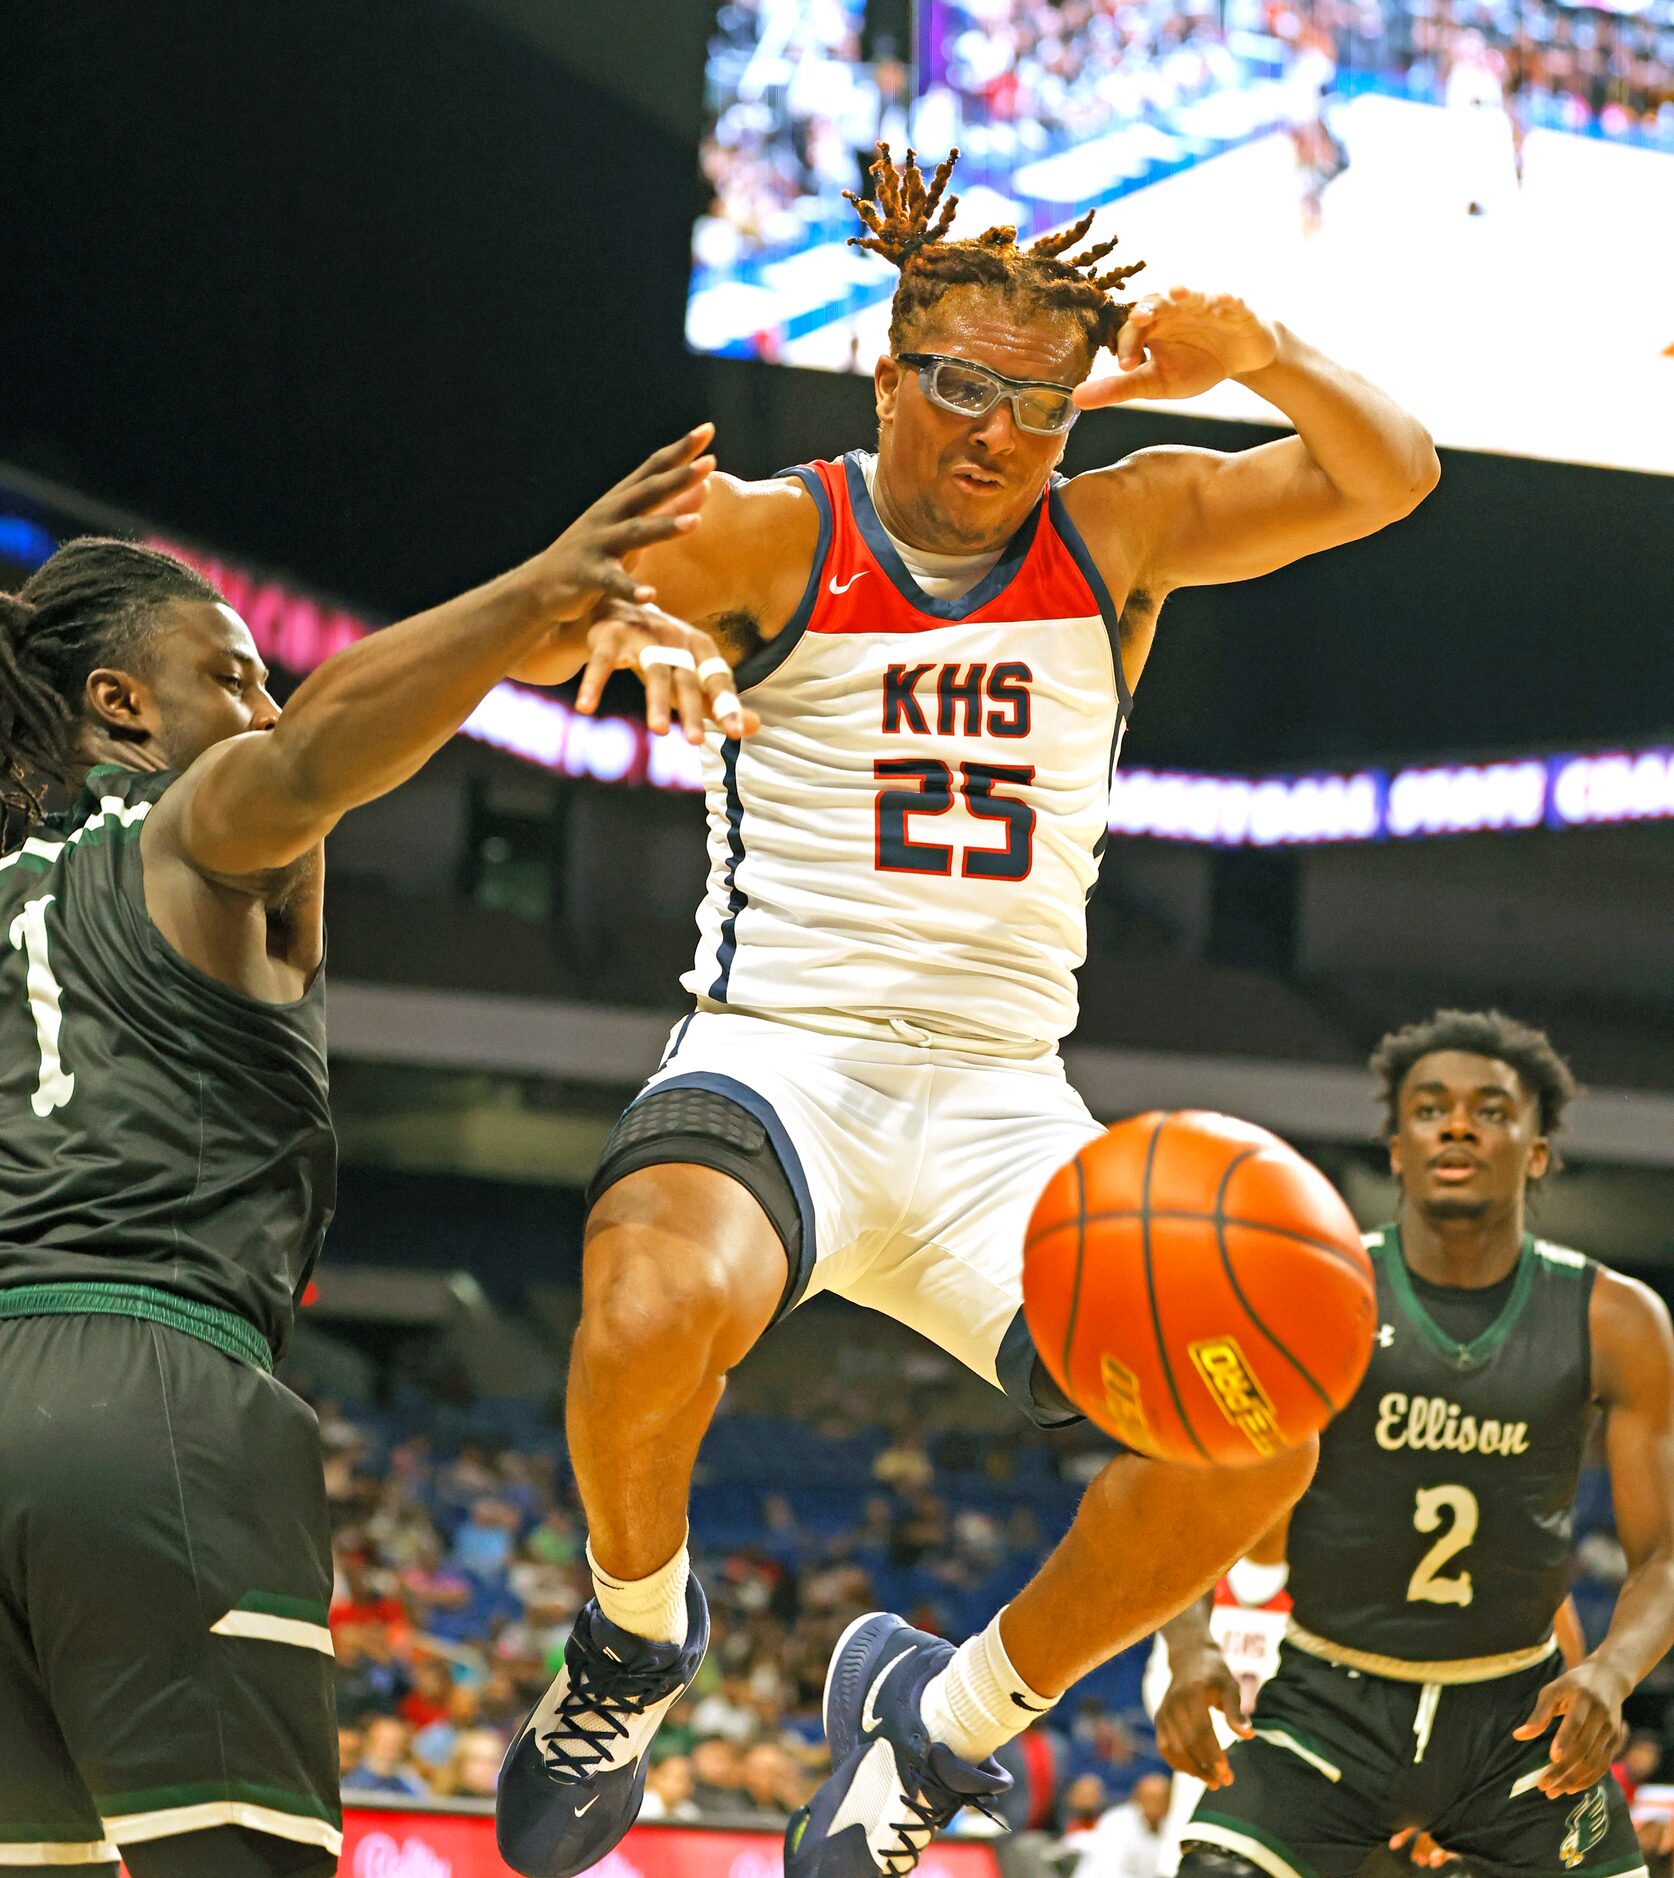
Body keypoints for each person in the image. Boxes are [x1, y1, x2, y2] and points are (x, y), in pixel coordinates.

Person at [494, 142, 1439, 1878]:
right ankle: (632, 1635)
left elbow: (1390, 475)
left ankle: (933, 1731)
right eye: (957, 386)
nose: (994, 429)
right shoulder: (776, 527)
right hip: (779, 1052)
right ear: (885, 370)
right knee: (640, 1308)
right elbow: (546, 614)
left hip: (1001, 1104)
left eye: (1036, 401)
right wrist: (631, 623)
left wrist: (1264, 358)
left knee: (1255, 1441)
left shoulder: (1122, 523)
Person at [0, 429, 732, 1878]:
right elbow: (324, 743)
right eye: (232, 674)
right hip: (150, 1393)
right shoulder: (194, 822)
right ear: (118, 702)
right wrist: (533, 594)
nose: (259, 702)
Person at [1153, 1009, 1674, 1878]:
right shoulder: (1309, 1299)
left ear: (1538, 1150)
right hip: (1325, 1707)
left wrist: (1612, 1675)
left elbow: (1661, 1554)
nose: (1459, 1123)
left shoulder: (1617, 1321)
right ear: (1396, 1148)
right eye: (1430, 1108)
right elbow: (1184, 1496)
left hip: (1518, 1720)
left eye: (1492, 1109)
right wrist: (1187, 1644)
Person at [1141, 1525, 1291, 1875]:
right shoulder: (1200, 1584)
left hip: (1279, 1785)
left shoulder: (1315, 1587)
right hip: (1204, 1780)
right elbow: (1161, 1688)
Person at [1071, 1774, 1174, 1878]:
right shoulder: (1116, 1823)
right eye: (1149, 1798)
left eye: (1160, 1799)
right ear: (1136, 1798)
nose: (1153, 1804)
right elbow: (1109, 1873)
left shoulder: (1171, 1826)